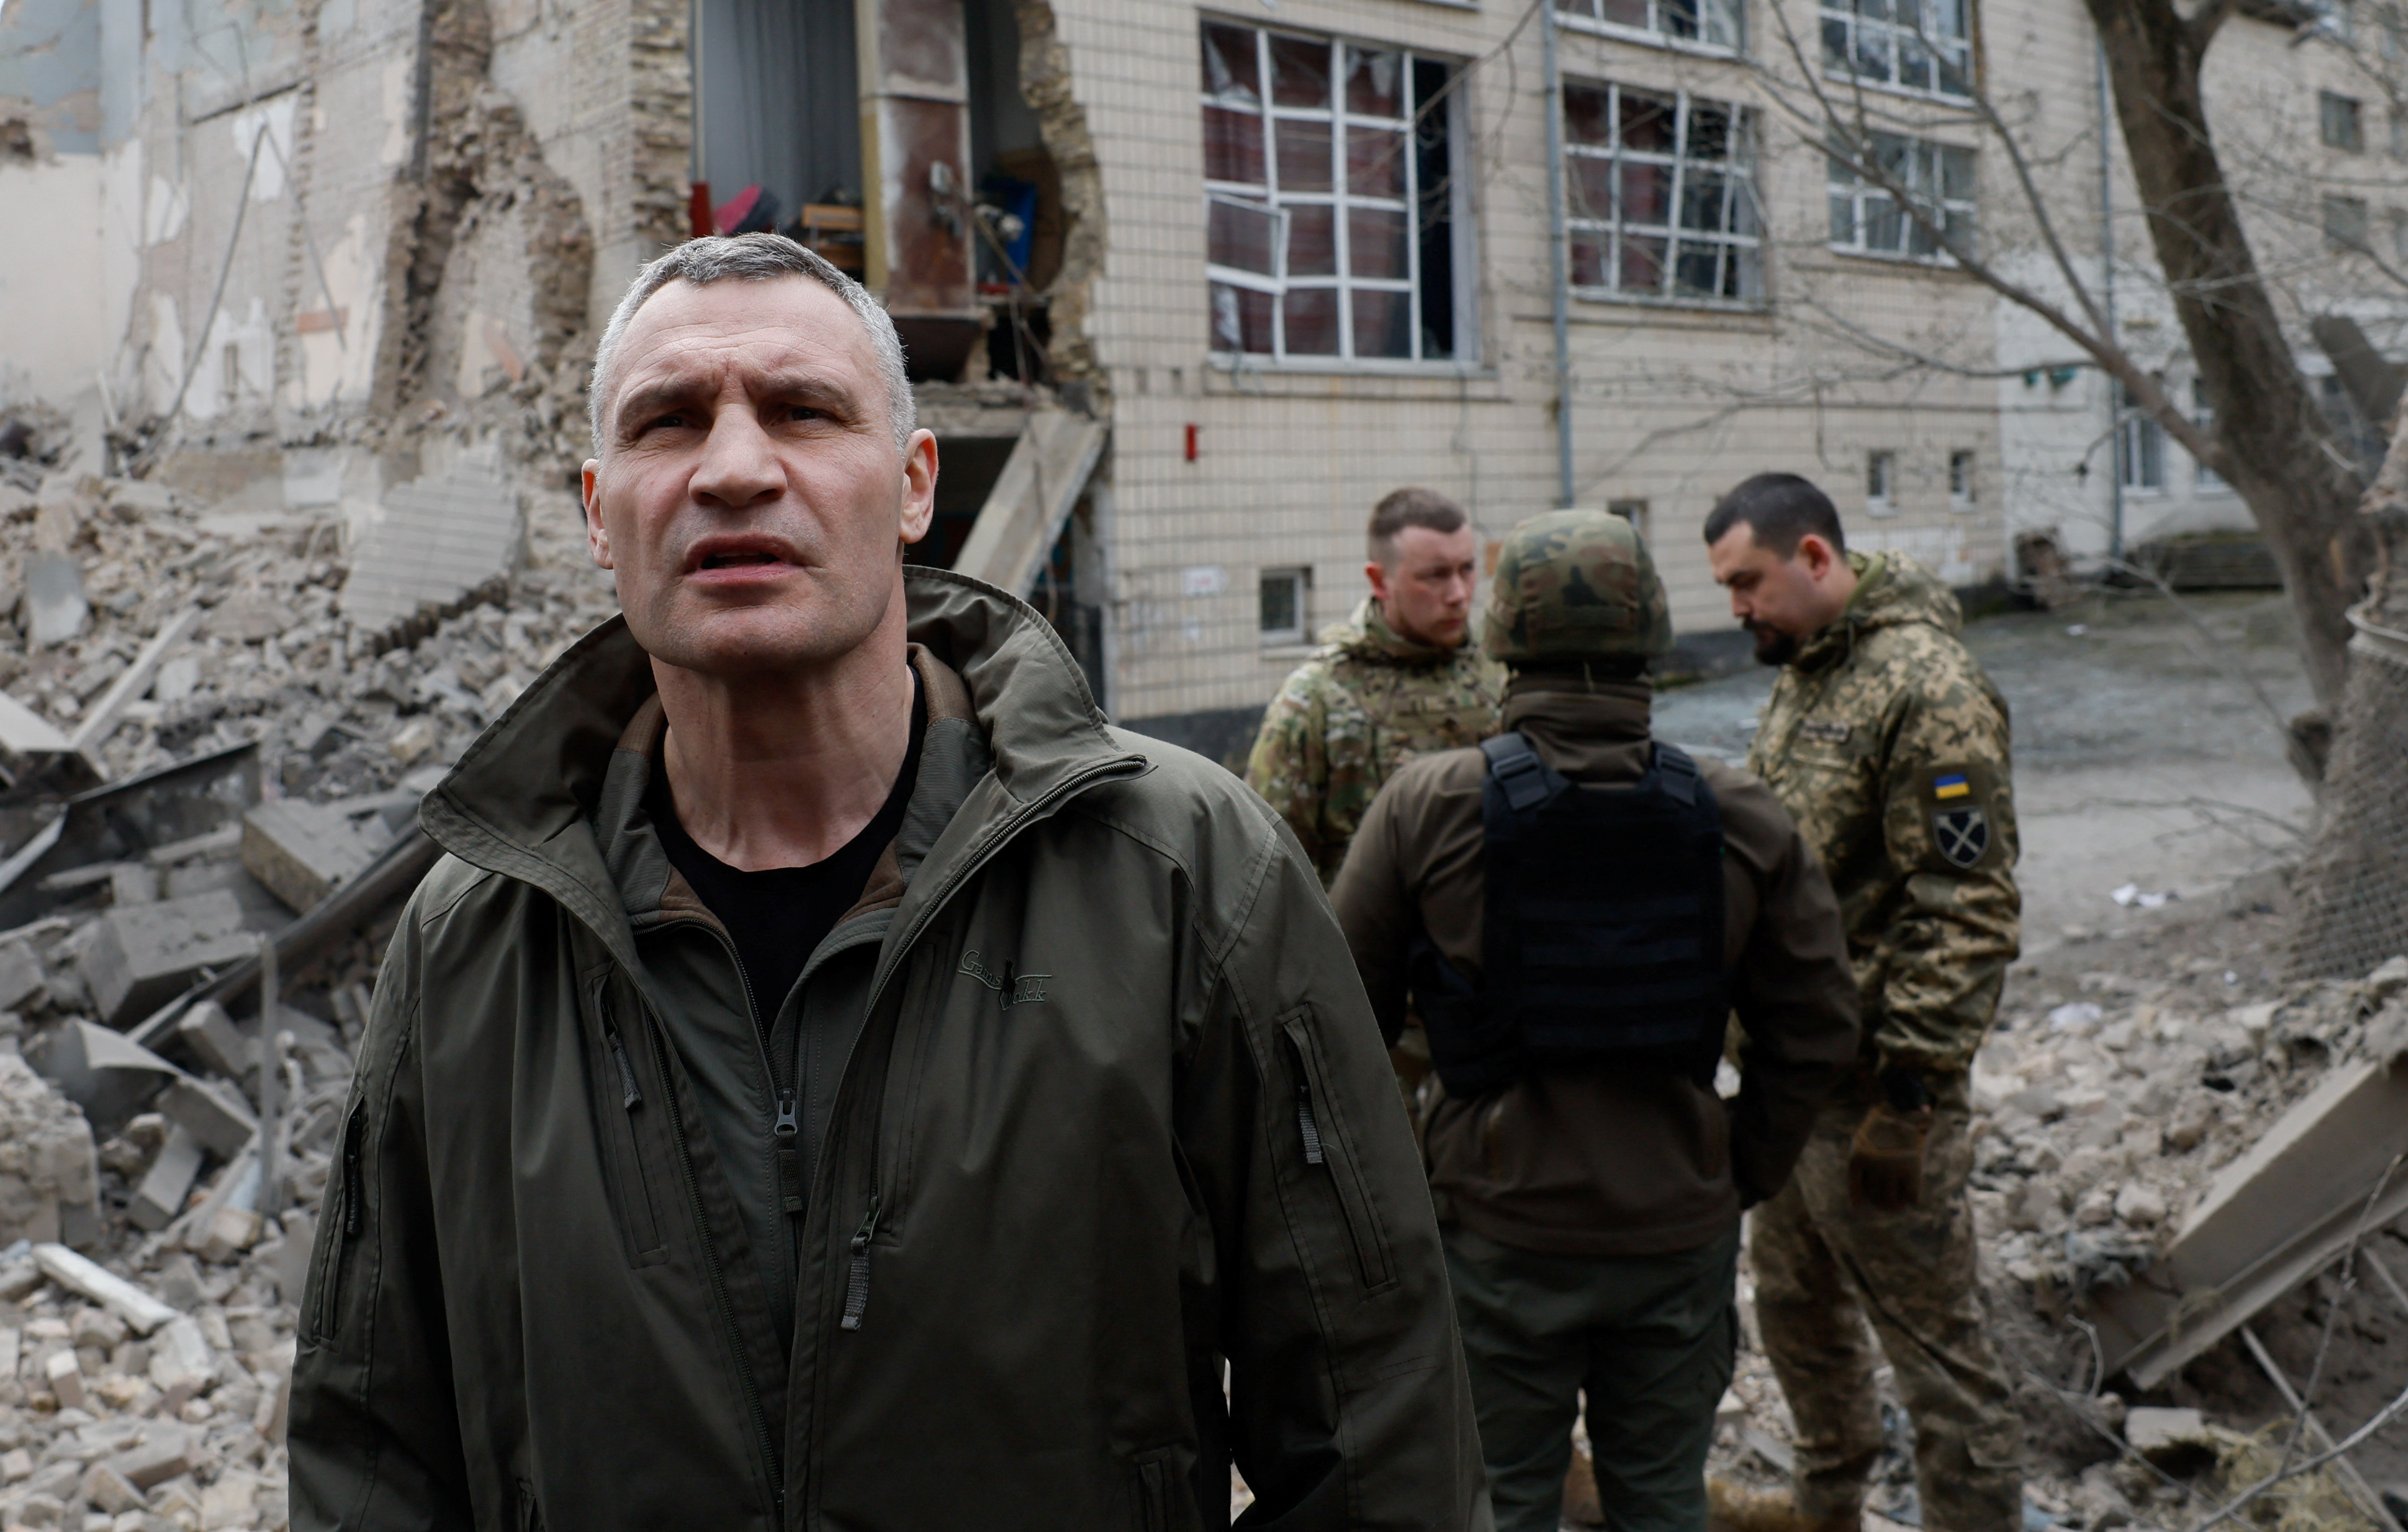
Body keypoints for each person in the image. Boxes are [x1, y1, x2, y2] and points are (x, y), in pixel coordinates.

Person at [288, 234, 1485, 1531]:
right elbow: (372, 1453)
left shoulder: (1182, 874)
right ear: (597, 511)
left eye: (803, 410)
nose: (734, 468)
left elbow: (1378, 1437)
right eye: (667, 421)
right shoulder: (472, 940)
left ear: (914, 486)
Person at [1332, 510, 1861, 1532]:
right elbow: (1820, 1026)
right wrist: (1736, 1166)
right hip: (1678, 1231)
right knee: (1661, 1501)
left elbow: (1332, 1021)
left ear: (1505, 633)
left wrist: (1416, 1180)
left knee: (1496, 1503)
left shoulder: (1425, 805)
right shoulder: (1742, 812)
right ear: (1651, 632)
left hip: (1494, 1232)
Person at [1702, 474, 2025, 1532]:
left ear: (1814, 556)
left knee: (1940, 1359)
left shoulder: (1928, 687)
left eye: (1749, 580)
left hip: (1878, 1098)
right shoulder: (1812, 668)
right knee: (1801, 1323)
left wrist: (1913, 1092)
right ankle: (1824, 1513)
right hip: (1793, 1087)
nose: (1737, 606)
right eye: (1726, 587)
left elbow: (1967, 904)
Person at [1248, 486, 1505, 888]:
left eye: (1467, 569)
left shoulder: (1500, 674)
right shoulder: (1317, 699)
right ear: (1380, 581)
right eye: (1435, 575)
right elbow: (1266, 871)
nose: (1459, 595)